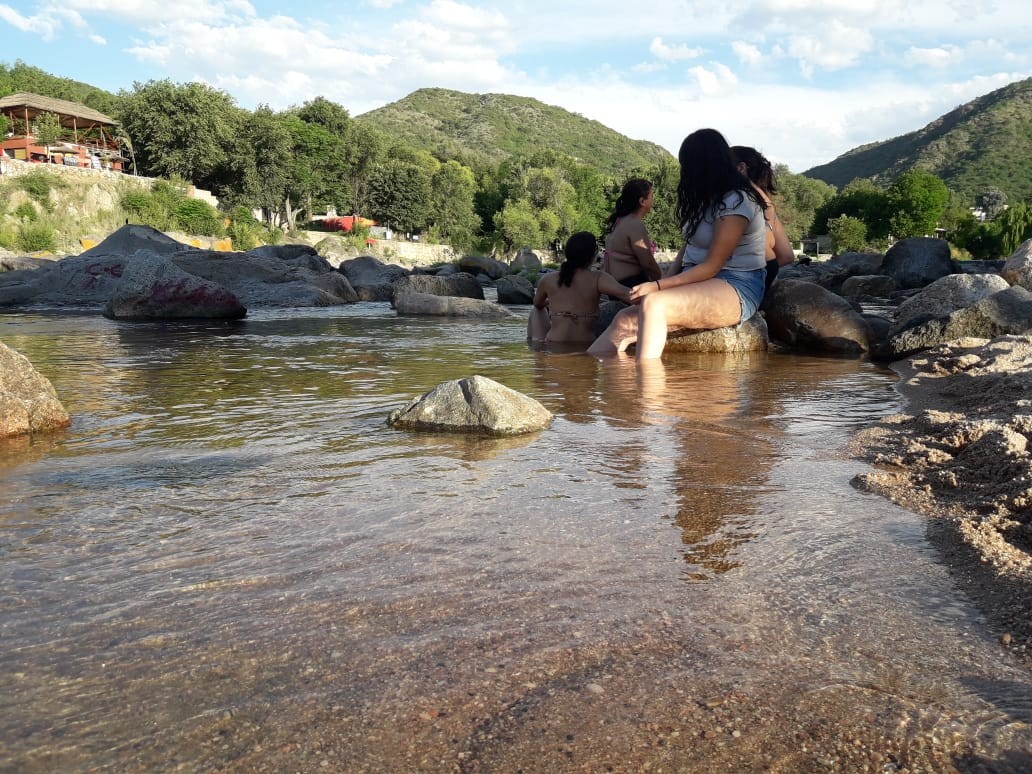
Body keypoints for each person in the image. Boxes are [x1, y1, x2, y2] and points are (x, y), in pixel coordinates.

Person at [587, 128, 767, 360]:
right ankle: (582, 384)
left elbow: (713, 265)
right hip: (698, 280)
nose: (685, 173)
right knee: (624, 320)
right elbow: (688, 249)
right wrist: (663, 282)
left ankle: (649, 391)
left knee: (655, 304)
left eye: (688, 166)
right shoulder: (705, 201)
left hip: (736, 283)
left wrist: (658, 288)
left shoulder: (737, 201)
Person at [528, 231, 630, 345]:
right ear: (594, 254)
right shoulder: (598, 278)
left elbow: (537, 304)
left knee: (536, 311)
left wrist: (553, 304)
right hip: (585, 345)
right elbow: (627, 295)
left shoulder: (547, 279)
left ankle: (535, 350)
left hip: (553, 343)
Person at [730, 146, 794, 291]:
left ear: (741, 168)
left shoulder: (734, 203)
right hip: (759, 280)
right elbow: (787, 256)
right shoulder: (768, 207)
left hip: (735, 285)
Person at [602, 178, 663, 287]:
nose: (653, 200)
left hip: (615, 284)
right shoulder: (634, 224)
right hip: (630, 285)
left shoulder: (620, 221)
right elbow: (648, 264)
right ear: (642, 201)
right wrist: (663, 282)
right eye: (651, 196)